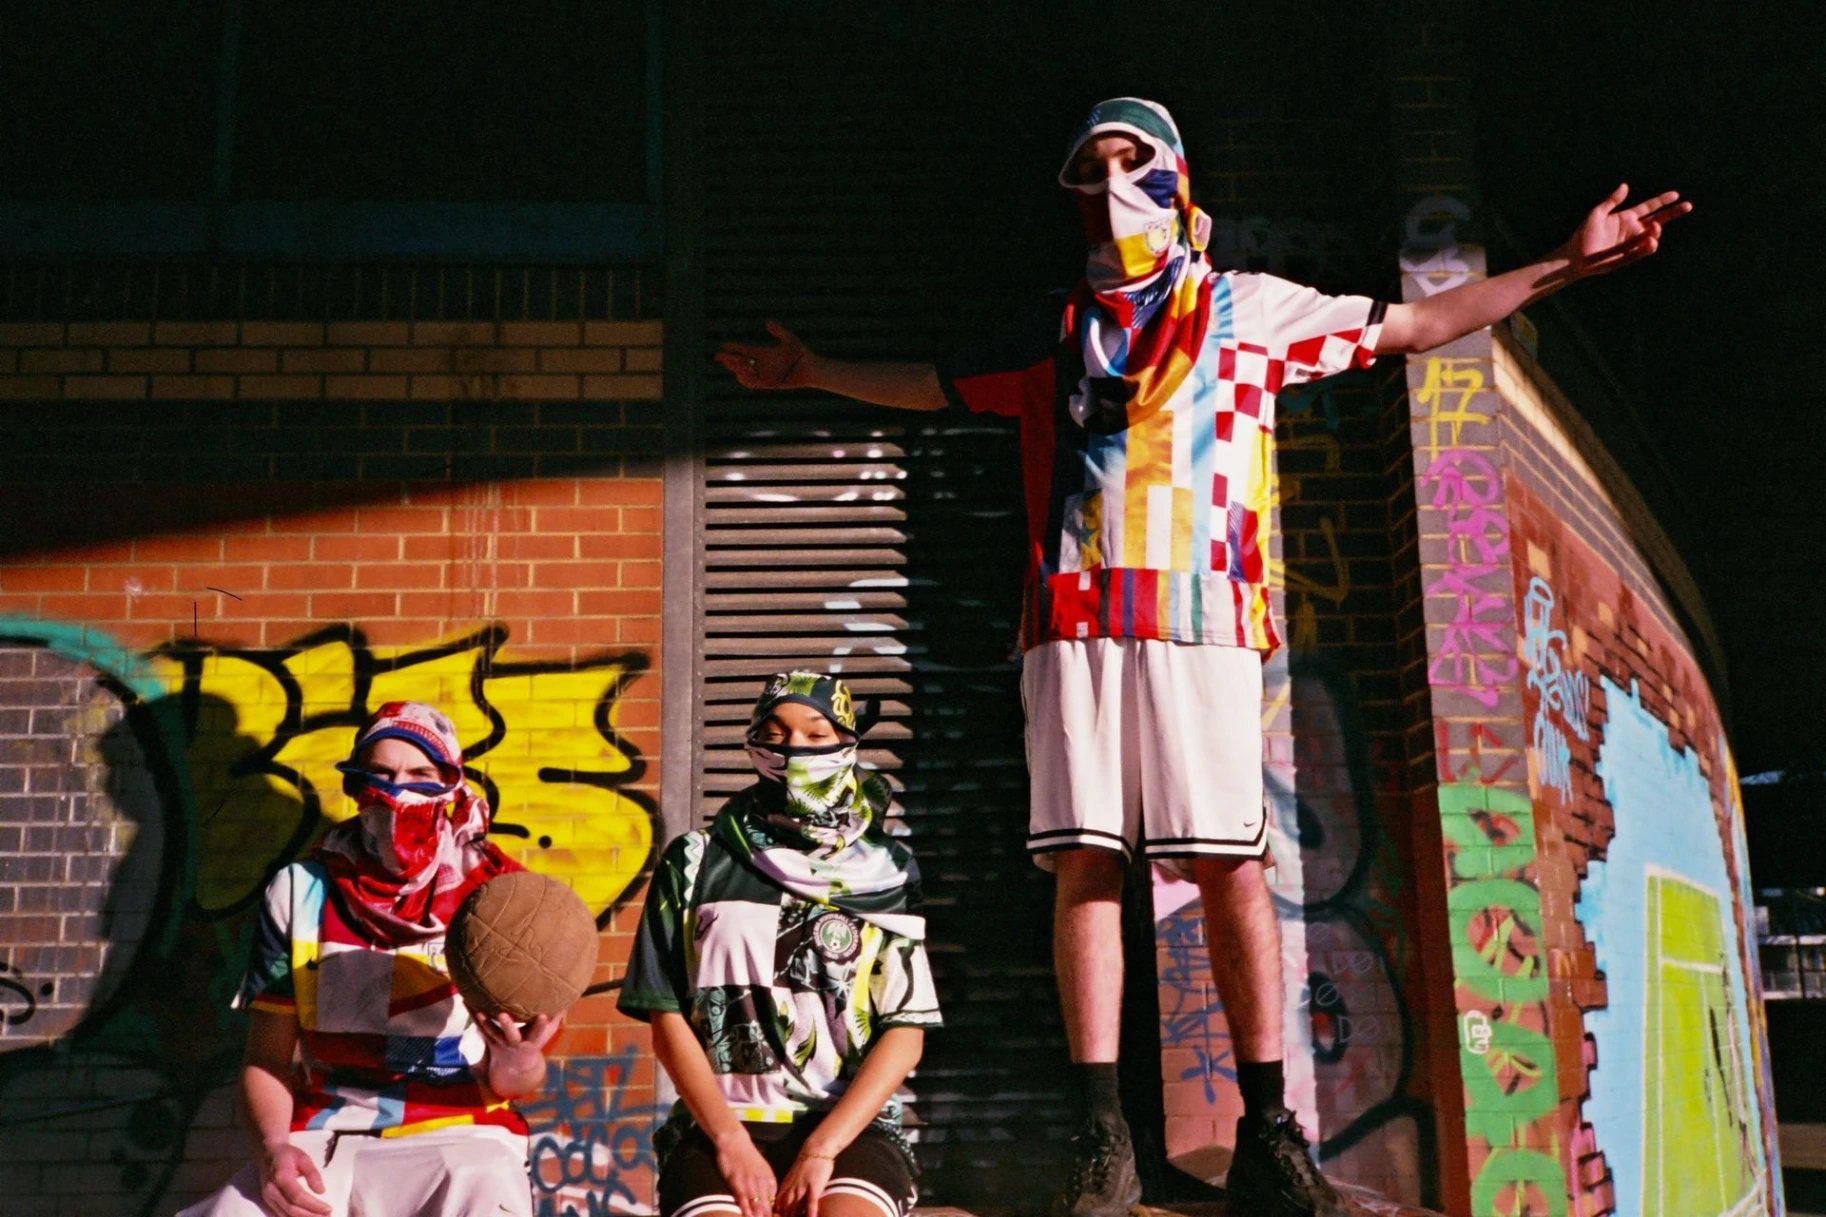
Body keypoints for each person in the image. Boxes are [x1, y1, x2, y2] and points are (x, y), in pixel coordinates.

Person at [713, 98, 1687, 1217]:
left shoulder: (1247, 308)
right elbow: (934, 382)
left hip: (1205, 620)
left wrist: (1563, 264)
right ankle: (1101, 1137)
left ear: (1179, 181)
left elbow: (1418, 324)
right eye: (1091, 166)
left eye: (1133, 160)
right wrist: (811, 371)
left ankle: (1267, 1132)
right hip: (1072, 623)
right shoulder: (1054, 326)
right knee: (1085, 863)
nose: (1111, 184)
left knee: (1227, 863)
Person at [181, 701, 558, 1217]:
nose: (398, 792)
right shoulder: (300, 891)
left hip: (464, 1134)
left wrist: (520, 1065)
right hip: (326, 1134)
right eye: (381, 774)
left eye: (420, 775)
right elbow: (265, 1057)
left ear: (451, 784)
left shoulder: (502, 895)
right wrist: (272, 1151)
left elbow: (516, 1081)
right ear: (356, 786)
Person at [618, 672, 941, 1217]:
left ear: (848, 743)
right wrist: (730, 1142)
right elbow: (665, 1014)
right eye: (774, 734)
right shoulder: (695, 860)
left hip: (849, 1129)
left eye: (816, 734)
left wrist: (821, 1149)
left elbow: (905, 1031)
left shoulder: (887, 869)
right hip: (722, 1126)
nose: (793, 749)